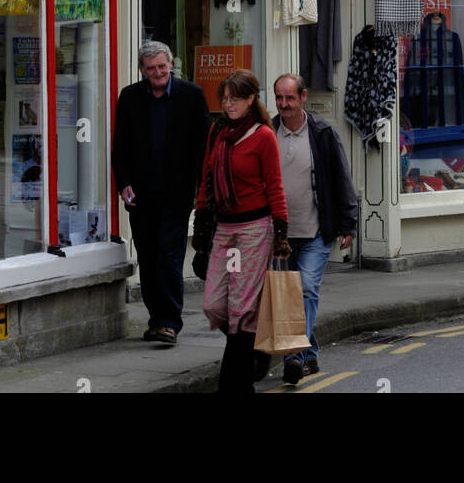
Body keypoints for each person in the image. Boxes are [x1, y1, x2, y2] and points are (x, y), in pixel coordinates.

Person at [192, 69, 290, 394]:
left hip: (254, 230)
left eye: (235, 98)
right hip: (225, 231)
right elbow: (206, 180)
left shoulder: (263, 135)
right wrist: (202, 238)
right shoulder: (217, 132)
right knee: (215, 305)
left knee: (241, 308)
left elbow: (275, 187)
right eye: (224, 97)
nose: (228, 103)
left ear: (250, 99)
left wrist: (280, 234)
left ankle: (233, 384)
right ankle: (255, 351)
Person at [111, 41, 210, 346]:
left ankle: (169, 322)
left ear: (171, 66)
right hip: (141, 195)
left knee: (169, 256)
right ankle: (157, 319)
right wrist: (124, 183)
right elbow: (120, 147)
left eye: (162, 67)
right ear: (142, 70)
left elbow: (203, 146)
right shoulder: (129, 97)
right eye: (151, 68)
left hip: (176, 194)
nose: (157, 73)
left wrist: (200, 189)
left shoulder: (191, 95)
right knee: (149, 257)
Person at [273, 72, 358, 385]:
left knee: (306, 288)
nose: (284, 104)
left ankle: (293, 355)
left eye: (290, 98)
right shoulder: (269, 131)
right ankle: (308, 355)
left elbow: (341, 178)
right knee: (287, 298)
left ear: (303, 97)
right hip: (279, 236)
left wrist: (348, 223)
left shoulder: (322, 133)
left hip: (315, 233)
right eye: (279, 98)